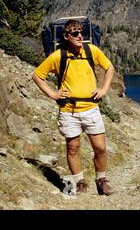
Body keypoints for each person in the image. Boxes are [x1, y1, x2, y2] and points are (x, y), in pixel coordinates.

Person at [32, 19, 115, 196]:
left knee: (100, 148)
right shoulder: (58, 56)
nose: (79, 36)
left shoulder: (91, 50)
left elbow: (109, 68)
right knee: (73, 148)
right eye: (75, 33)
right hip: (69, 111)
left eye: (81, 32)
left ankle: (101, 181)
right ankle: (79, 182)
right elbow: (38, 76)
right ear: (66, 36)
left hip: (91, 108)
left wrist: (104, 89)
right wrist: (52, 94)